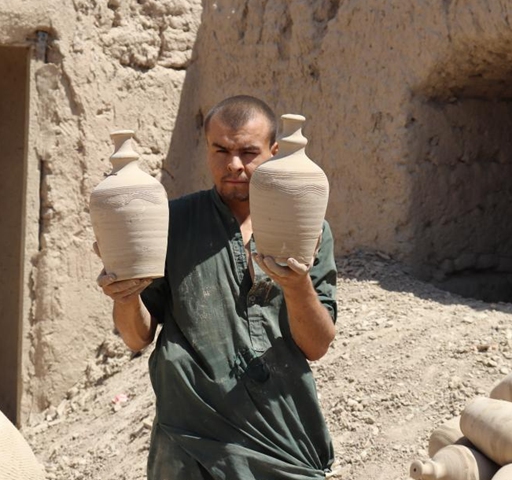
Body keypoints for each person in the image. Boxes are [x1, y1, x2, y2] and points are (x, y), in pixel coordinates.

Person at [96, 95, 338, 479]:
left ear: (275, 151)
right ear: (206, 148)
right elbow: (137, 337)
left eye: (248, 152)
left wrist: (297, 287)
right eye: (221, 150)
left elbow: (317, 345)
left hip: (279, 433)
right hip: (188, 440)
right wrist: (124, 296)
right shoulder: (172, 222)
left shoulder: (307, 229)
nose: (234, 165)